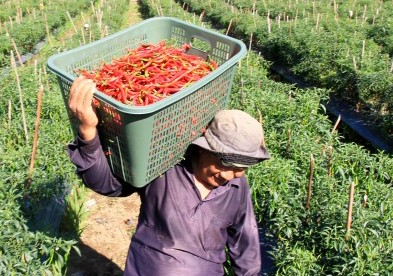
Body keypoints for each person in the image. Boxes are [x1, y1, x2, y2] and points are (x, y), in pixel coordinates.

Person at [66, 76, 271, 276]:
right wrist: (88, 129)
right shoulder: (164, 167)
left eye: (240, 168)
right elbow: (106, 184)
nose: (228, 175)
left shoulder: (237, 186)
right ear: (203, 148)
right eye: (223, 163)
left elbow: (246, 239)